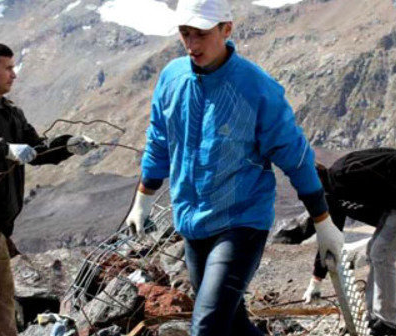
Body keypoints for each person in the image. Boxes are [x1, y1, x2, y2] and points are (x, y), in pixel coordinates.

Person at [124, 0, 344, 334]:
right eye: (185, 33)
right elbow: (159, 139)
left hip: (241, 222)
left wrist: (322, 221)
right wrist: (143, 197)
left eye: (201, 33)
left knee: (207, 326)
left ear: (227, 29)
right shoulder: (172, 78)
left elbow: (295, 157)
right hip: (193, 222)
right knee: (233, 323)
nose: (192, 44)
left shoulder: (256, 88)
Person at [0, 42, 97, 336]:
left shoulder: (10, 113)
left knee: (3, 297)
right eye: (8, 68)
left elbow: (36, 149)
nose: (14, 74)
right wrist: (4, 148)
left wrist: (69, 145)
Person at [301, 148, 396, 336]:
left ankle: (387, 324)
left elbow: (394, 158)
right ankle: (374, 316)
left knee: (381, 252)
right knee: (374, 250)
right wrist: (316, 280)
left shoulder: (346, 171)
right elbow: (330, 237)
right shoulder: (332, 198)